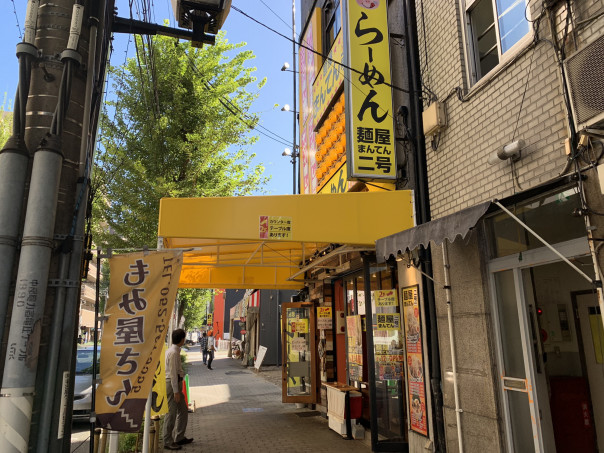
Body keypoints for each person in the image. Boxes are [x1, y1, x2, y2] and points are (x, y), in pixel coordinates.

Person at [163, 329, 193, 450]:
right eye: (184, 338)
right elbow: (173, 374)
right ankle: (167, 440)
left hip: (175, 384)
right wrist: (176, 391)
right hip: (172, 385)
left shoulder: (173, 350)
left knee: (183, 410)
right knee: (171, 412)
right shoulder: (174, 353)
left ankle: (179, 437)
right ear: (182, 339)